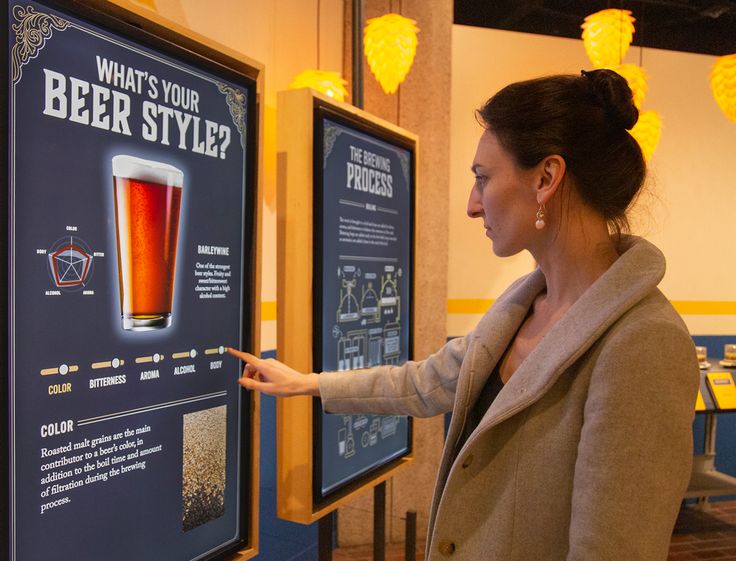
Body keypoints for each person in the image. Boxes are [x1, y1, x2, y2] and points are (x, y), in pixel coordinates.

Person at [228, 69, 699, 561]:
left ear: (545, 179)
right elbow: (427, 380)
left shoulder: (644, 342)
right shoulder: (522, 303)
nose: (473, 206)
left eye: (483, 179)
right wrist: (309, 383)